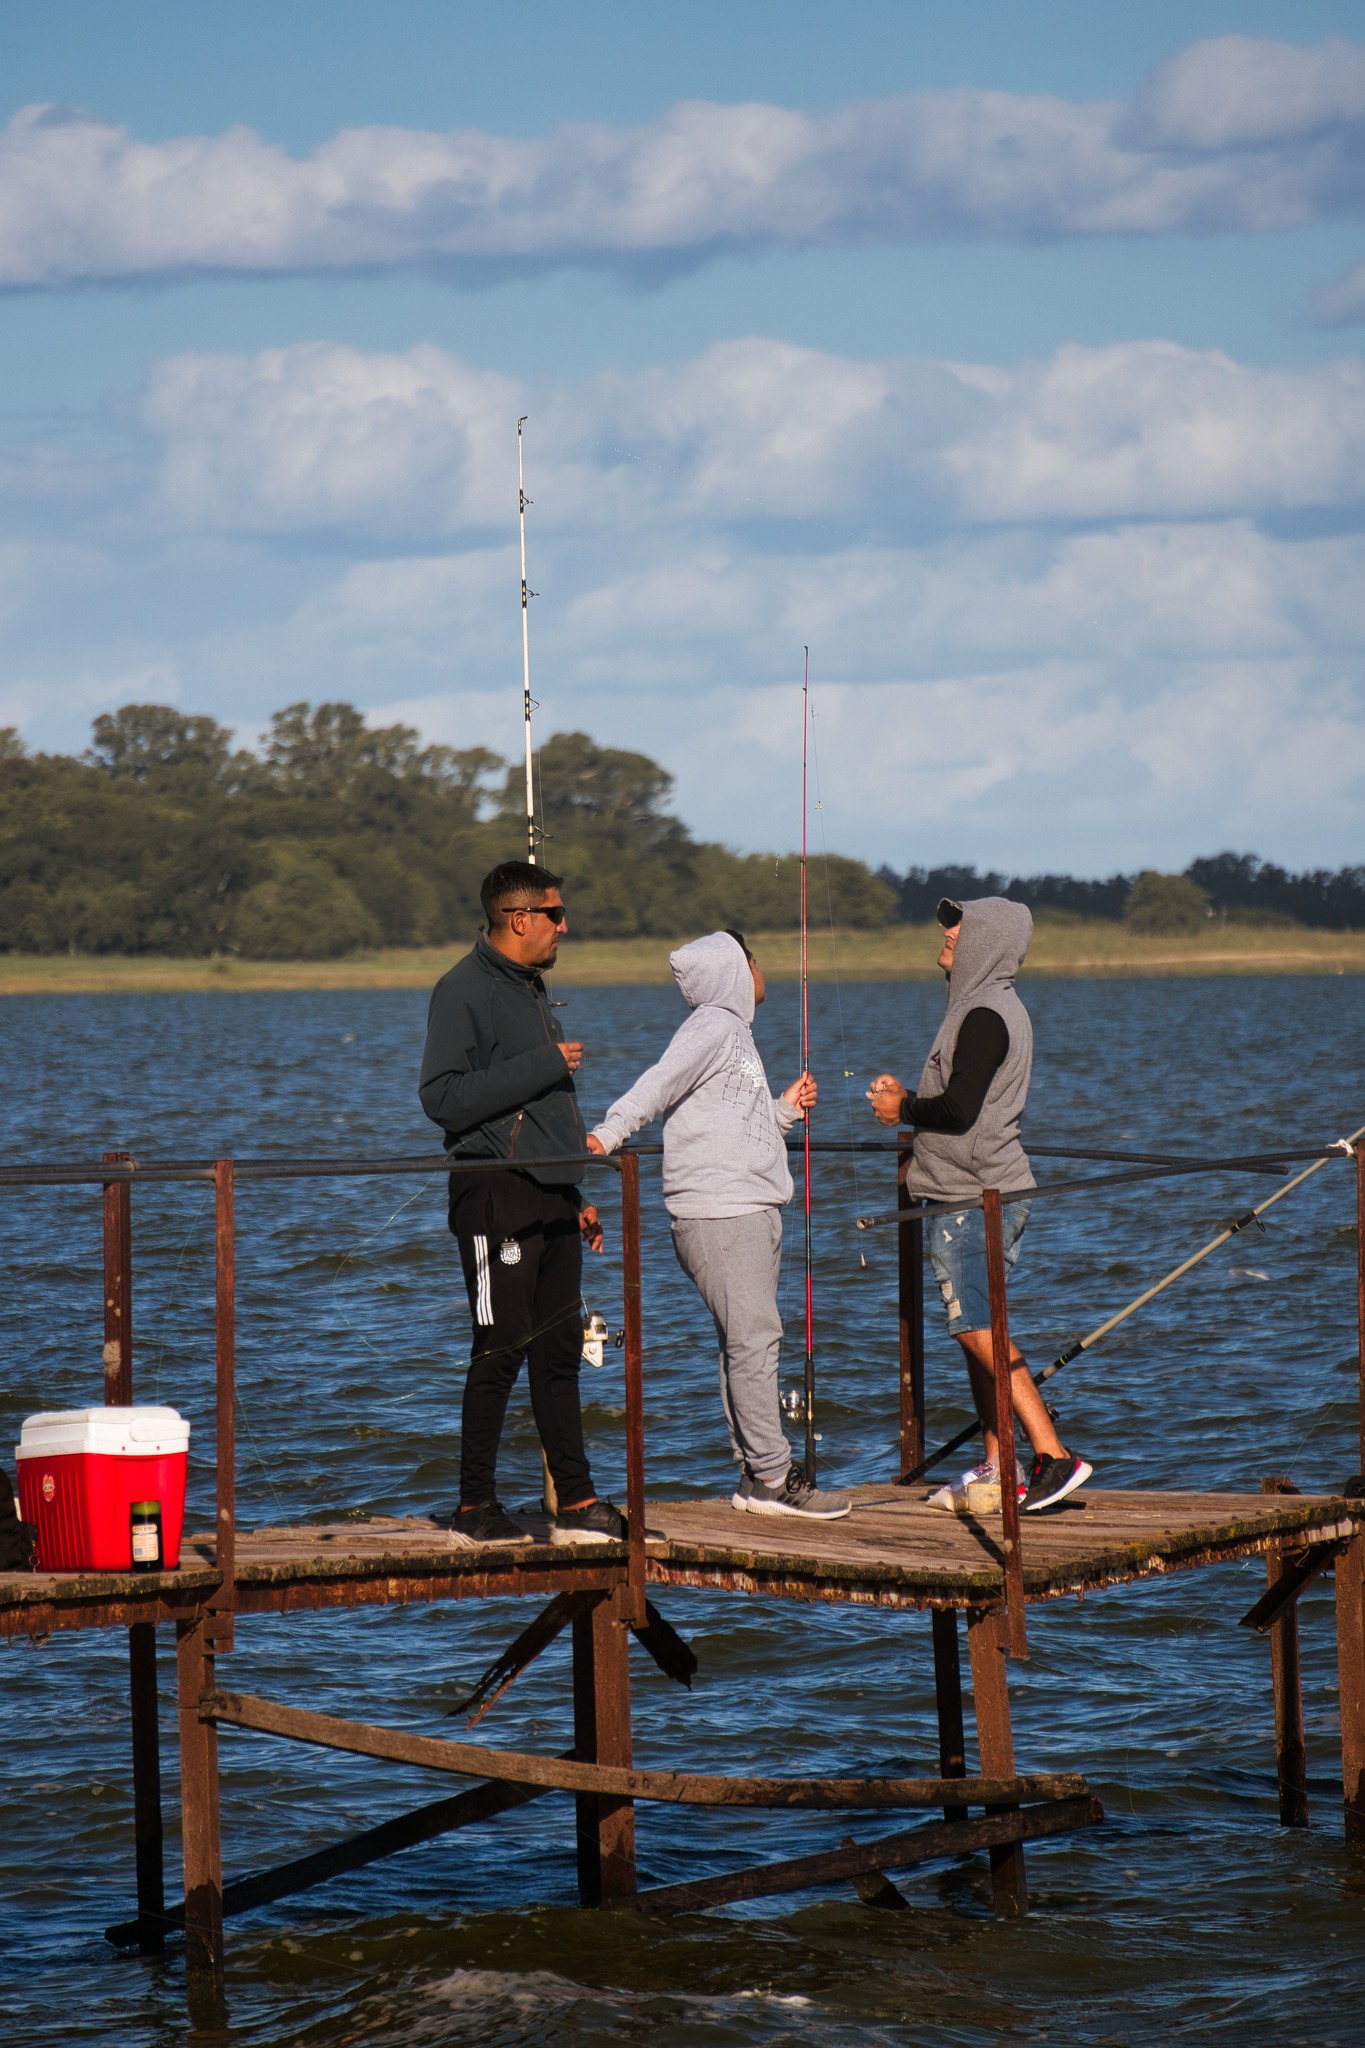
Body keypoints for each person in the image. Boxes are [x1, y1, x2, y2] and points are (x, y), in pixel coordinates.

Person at [587, 929, 852, 1519]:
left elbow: (730, 1127)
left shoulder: (732, 1035)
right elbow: (658, 1084)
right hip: (724, 1214)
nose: (762, 971)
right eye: (753, 961)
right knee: (755, 1341)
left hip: (742, 1207)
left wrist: (781, 1110)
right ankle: (774, 1479)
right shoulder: (714, 1027)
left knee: (744, 1343)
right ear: (737, 971)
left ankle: (757, 1473)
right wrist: (607, 1133)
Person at [418, 860, 626, 1546]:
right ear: (518, 919)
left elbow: (544, 1112)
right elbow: (441, 1099)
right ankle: (475, 1507)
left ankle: (575, 1500)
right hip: (493, 1194)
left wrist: (575, 1194)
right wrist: (545, 1062)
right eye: (554, 914)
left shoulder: (529, 987)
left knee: (560, 1347)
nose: (564, 925)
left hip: (549, 1194)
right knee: (500, 1346)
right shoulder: (463, 989)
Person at [868, 895, 1093, 1513]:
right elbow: (967, 1104)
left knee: (976, 1328)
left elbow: (961, 1110)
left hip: (976, 1198)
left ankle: (1053, 1456)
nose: (946, 935)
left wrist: (902, 1109)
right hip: (966, 1189)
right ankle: (999, 1467)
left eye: (958, 927)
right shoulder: (977, 1008)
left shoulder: (986, 1014)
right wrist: (915, 1117)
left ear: (987, 942)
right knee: (977, 1330)